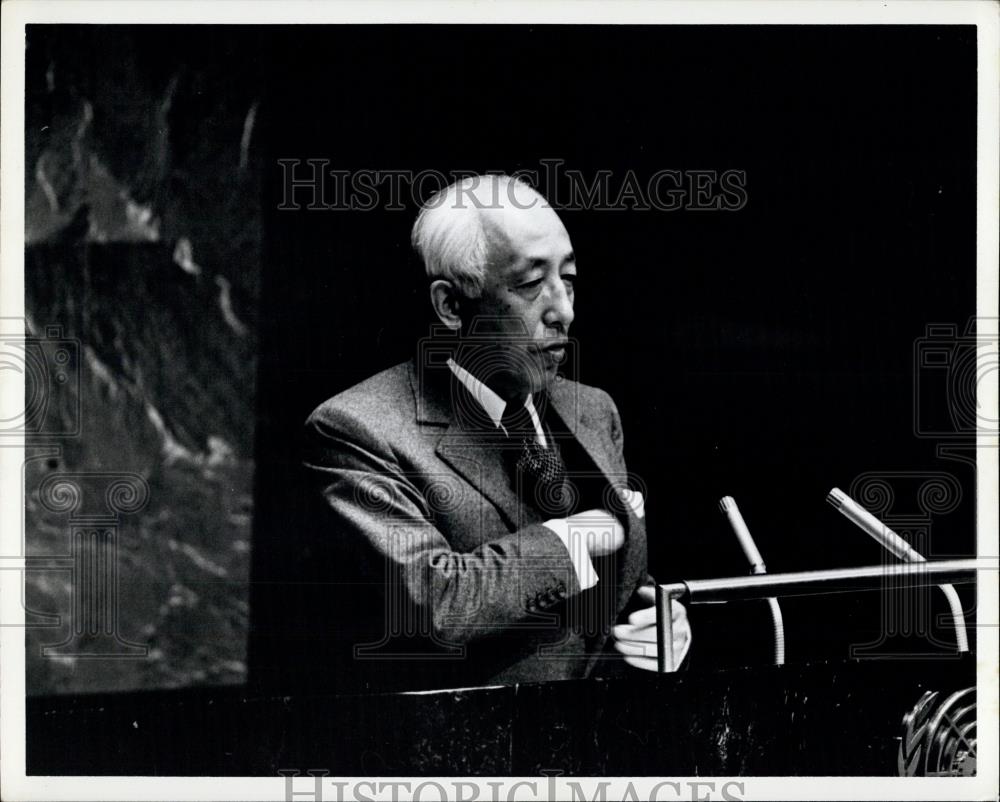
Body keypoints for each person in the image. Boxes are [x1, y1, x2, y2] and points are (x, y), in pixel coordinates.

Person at [300, 175, 690, 693]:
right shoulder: (357, 429)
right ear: (451, 305)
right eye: (531, 284)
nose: (564, 311)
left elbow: (618, 593)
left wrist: (660, 623)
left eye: (568, 279)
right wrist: (576, 537)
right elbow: (436, 604)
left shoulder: (594, 411)